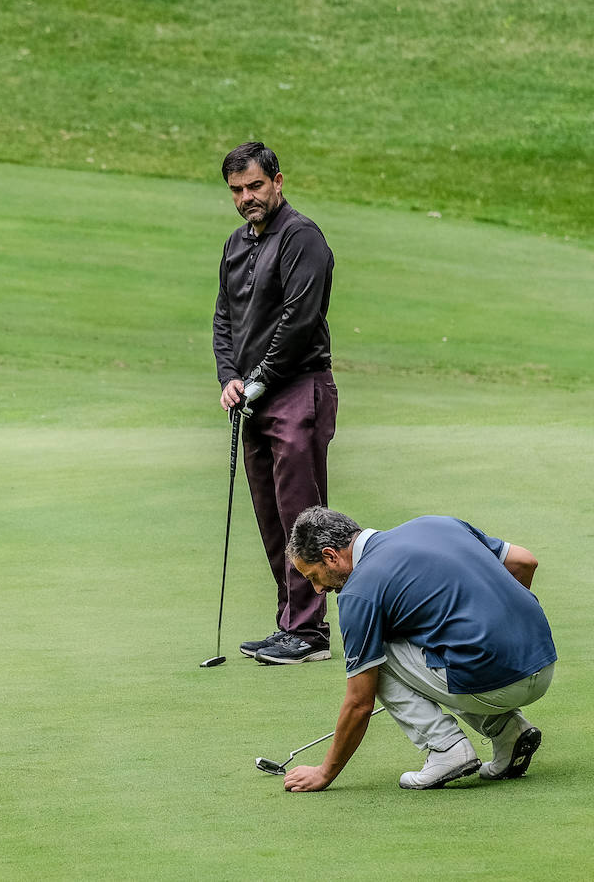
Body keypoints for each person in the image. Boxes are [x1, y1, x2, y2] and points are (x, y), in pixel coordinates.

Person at [280, 506, 557, 792]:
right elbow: (525, 562)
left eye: (313, 576)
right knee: (440, 645)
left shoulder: (357, 593)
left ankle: (446, 747)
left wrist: (324, 772)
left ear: (330, 556)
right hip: (544, 662)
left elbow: (360, 702)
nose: (317, 590)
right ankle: (509, 732)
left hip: (495, 682)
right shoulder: (438, 523)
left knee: (375, 655)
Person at [212, 142, 338, 665]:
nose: (247, 197)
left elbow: (299, 318)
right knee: (270, 516)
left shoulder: (301, 237)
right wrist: (230, 378)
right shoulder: (236, 245)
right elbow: (225, 319)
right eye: (237, 190)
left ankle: (309, 634)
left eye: (255, 186)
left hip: (298, 388)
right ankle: (290, 623)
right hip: (254, 399)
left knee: (300, 516)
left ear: (278, 181)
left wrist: (259, 377)